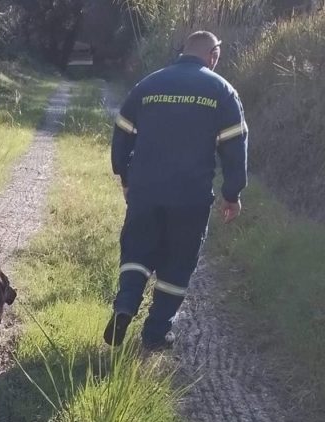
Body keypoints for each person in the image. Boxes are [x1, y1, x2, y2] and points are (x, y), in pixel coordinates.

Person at [104, 31, 249, 350]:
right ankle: (155, 333)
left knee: (137, 250)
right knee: (178, 263)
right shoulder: (222, 91)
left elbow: (122, 132)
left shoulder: (149, 85)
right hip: (190, 198)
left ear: (184, 50)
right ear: (213, 55)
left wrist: (125, 175)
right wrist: (232, 192)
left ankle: (125, 304)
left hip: (145, 191)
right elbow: (234, 146)